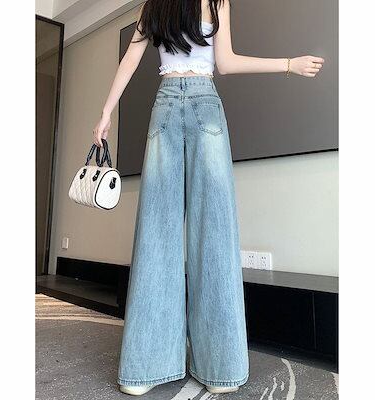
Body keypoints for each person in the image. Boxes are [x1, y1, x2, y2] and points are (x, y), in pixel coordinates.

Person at [93, 0, 324, 396]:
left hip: (197, 106)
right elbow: (131, 57)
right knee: (161, 232)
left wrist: (288, 64)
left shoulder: (216, 2)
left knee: (210, 233)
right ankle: (150, 367)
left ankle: (216, 367)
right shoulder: (157, 5)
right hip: (174, 106)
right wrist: (106, 112)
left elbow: (226, 63)